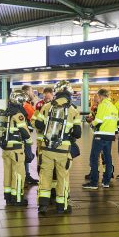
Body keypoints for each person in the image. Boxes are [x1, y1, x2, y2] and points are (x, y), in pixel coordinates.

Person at [33, 80, 81, 214]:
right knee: (62, 177)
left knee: (45, 176)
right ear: (69, 93)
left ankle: (43, 205)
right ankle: (62, 206)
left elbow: (38, 124)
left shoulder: (47, 106)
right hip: (63, 150)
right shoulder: (73, 110)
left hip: (46, 148)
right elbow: (78, 133)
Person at [0, 90, 31, 206]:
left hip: (5, 149)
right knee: (18, 173)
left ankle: (8, 197)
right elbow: (26, 134)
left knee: (7, 173)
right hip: (16, 149)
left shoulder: (6, 112)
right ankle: (17, 199)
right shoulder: (19, 115)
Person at [83, 88, 118, 190]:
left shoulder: (102, 105)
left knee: (94, 158)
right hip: (110, 135)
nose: (97, 98)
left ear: (101, 96)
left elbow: (98, 120)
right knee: (108, 158)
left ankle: (94, 182)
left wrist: (90, 124)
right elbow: (116, 121)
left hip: (100, 135)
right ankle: (106, 181)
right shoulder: (113, 107)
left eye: (98, 96)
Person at [21, 85, 39, 185]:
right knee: (28, 156)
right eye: (32, 91)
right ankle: (25, 176)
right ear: (27, 92)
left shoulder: (25, 104)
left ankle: (26, 175)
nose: (33, 93)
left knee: (26, 156)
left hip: (24, 135)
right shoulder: (27, 106)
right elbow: (35, 118)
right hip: (25, 136)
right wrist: (36, 105)